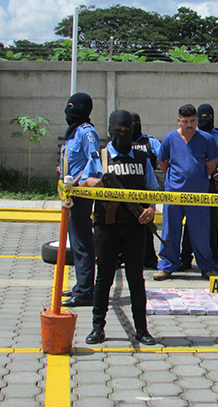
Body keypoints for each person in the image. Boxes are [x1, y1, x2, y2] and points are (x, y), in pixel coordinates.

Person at [81, 110, 158, 345]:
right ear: (110, 130)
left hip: (135, 226)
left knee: (136, 279)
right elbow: (84, 181)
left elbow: (153, 190)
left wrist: (151, 209)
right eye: (117, 131)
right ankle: (97, 328)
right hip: (106, 226)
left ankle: (142, 329)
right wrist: (90, 181)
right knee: (103, 279)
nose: (121, 135)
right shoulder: (99, 157)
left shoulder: (143, 159)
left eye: (126, 132)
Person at [155, 104, 218, 280]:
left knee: (200, 232)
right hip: (173, 194)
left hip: (198, 194)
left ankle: (206, 266)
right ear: (179, 121)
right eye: (185, 121)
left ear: (197, 120)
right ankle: (167, 266)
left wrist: (198, 178)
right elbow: (163, 163)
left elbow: (212, 164)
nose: (189, 125)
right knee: (170, 230)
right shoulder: (169, 139)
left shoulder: (206, 139)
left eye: (192, 121)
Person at [59, 93, 100, 308]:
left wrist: (78, 182)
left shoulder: (87, 132)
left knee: (82, 241)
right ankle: (80, 286)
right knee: (75, 241)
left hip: (80, 194)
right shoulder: (73, 133)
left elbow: (93, 162)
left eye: (73, 108)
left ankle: (85, 291)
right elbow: (73, 160)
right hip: (70, 194)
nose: (69, 113)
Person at [179, 104, 218, 272]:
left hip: (213, 184)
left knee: (212, 223)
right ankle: (185, 258)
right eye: (202, 116)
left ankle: (214, 259)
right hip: (196, 184)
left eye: (209, 115)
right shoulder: (191, 135)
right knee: (191, 222)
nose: (205, 118)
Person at [130, 111, 162, 269]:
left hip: (146, 188)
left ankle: (149, 258)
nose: (135, 126)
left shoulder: (151, 142)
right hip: (125, 188)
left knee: (147, 225)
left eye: (137, 122)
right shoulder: (120, 141)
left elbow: (164, 156)